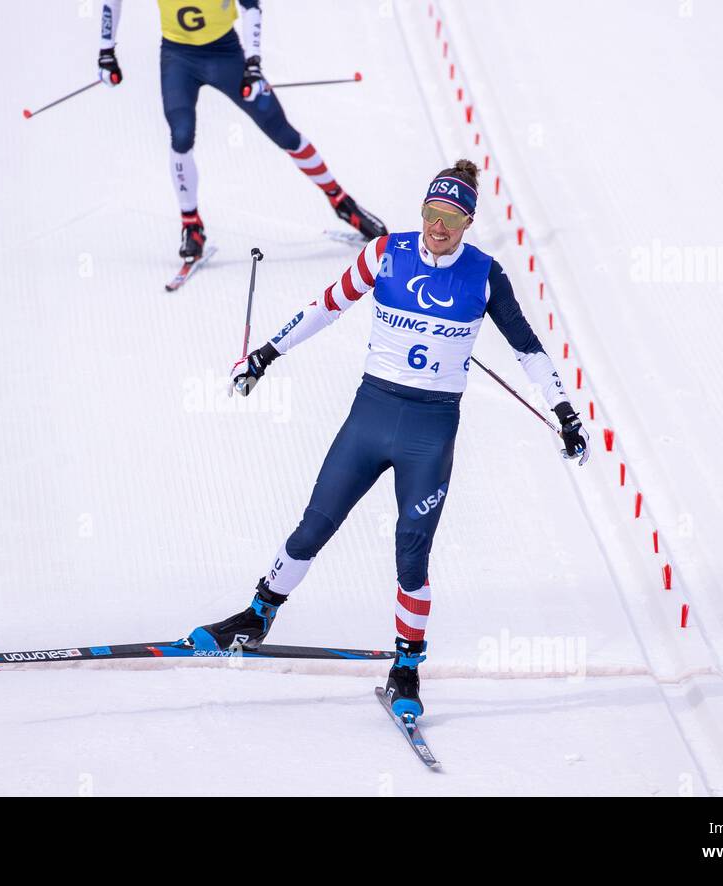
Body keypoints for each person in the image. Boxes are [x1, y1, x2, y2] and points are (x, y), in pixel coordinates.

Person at [189, 160, 590, 718]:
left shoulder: (485, 274)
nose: (438, 226)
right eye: (431, 213)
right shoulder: (386, 254)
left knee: (411, 553)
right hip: (371, 415)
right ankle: (258, 614)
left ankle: (406, 668)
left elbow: (527, 347)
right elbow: (327, 306)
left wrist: (565, 412)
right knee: (316, 522)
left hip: (430, 432)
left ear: (468, 222)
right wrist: (265, 355)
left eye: (451, 217)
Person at [96, 0, 388, 262]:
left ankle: (340, 201)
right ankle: (191, 224)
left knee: (281, 130)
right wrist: (106, 51)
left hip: (225, 55)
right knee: (181, 135)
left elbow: (251, 7)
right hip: (178, 57)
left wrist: (253, 64)